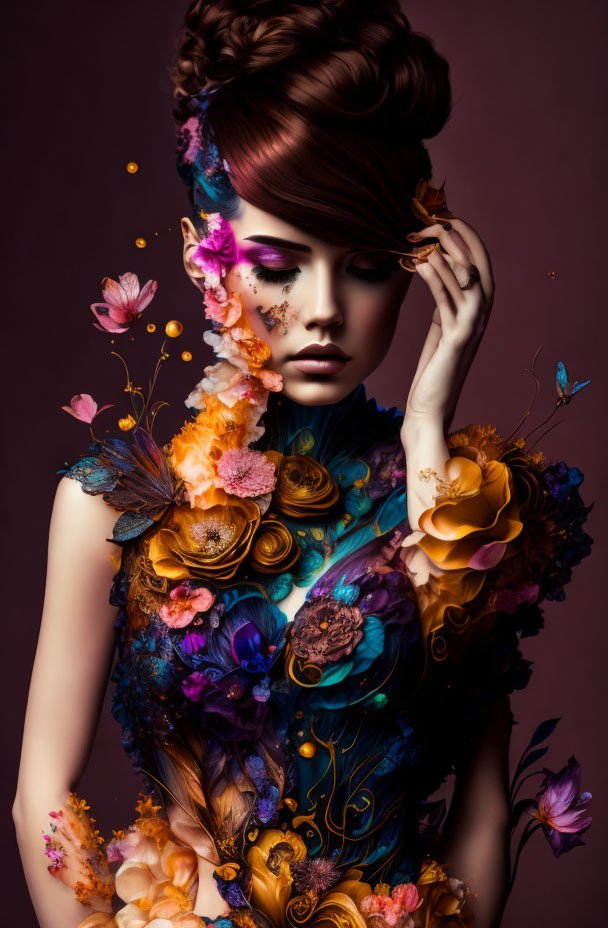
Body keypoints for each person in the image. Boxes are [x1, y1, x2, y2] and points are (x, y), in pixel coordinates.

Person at [13, 2, 593, 928]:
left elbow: (483, 810)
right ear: (214, 261)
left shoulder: (460, 509)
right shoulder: (110, 503)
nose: (323, 309)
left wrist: (429, 424)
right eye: (279, 264)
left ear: (415, 266)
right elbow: (41, 787)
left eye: (365, 265)